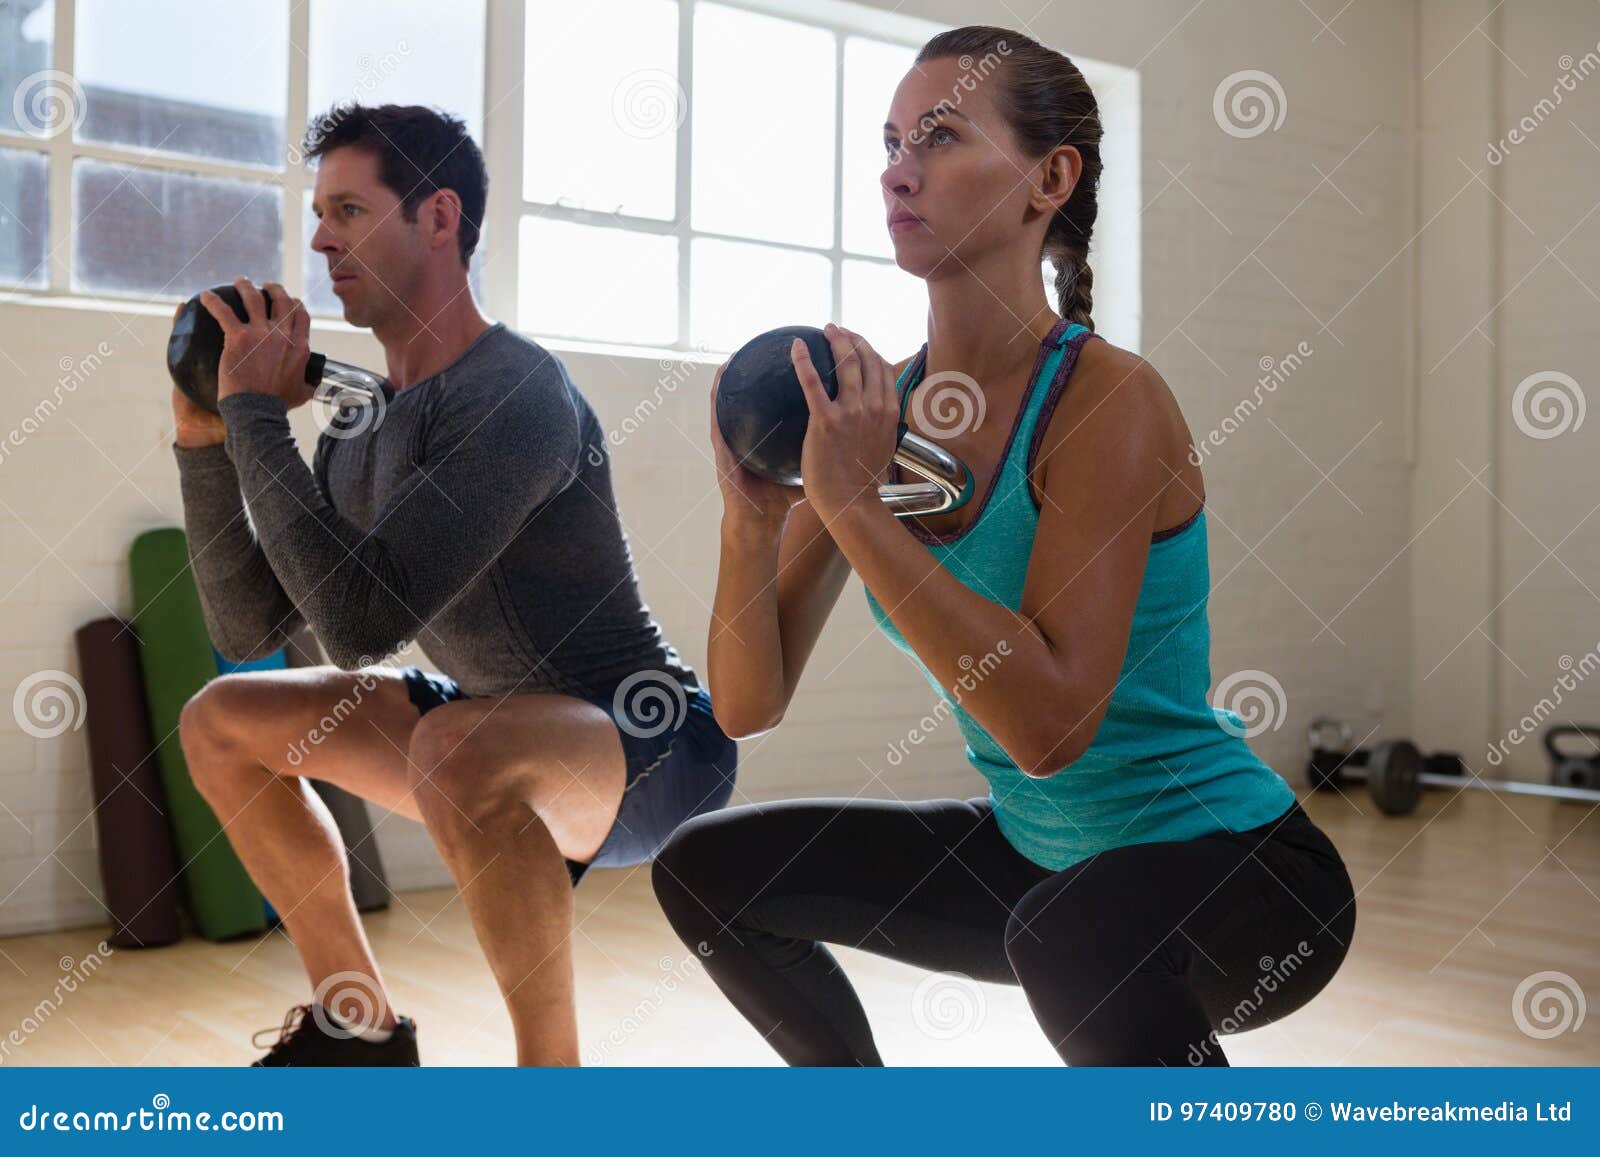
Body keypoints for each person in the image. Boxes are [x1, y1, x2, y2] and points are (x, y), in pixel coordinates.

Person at [651, 26, 1356, 1066]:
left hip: (1242, 874)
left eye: (937, 138)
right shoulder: (872, 414)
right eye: (890, 143)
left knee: (1071, 932)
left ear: (1048, 178)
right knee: (707, 868)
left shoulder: (1106, 399)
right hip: (1042, 860)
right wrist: (749, 520)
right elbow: (749, 705)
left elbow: (1048, 728)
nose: (898, 169)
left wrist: (855, 511)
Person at [172, 104, 736, 1066]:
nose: (318, 238)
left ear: (437, 217)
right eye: (318, 212)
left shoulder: (514, 392)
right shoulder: (364, 416)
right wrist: (206, 433)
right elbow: (247, 618)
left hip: (649, 740)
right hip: (477, 720)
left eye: (348, 209)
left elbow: (361, 623)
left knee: (453, 749)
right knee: (222, 720)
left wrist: (257, 413)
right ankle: (359, 1031)